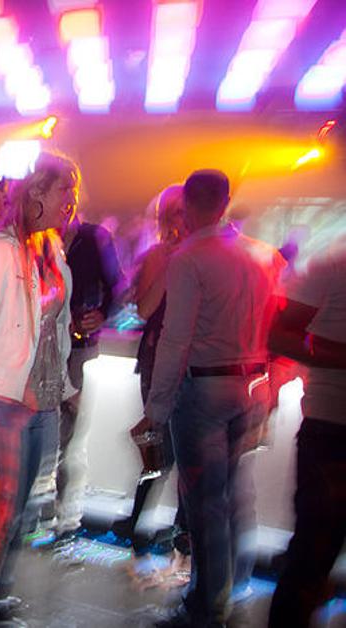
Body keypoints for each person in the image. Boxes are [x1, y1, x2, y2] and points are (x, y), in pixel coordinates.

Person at [142, 170, 285, 628]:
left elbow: (175, 339)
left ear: (187, 204)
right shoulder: (263, 255)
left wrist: (156, 408)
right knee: (237, 494)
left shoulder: (189, 258)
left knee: (206, 504)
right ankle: (235, 585)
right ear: (225, 203)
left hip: (203, 388)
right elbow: (280, 326)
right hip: (252, 384)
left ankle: (207, 607)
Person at [0, 151, 77, 622]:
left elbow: (53, 328)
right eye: (65, 189)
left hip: (43, 401)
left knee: (21, 514)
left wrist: (63, 384)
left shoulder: (49, 250)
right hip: (3, 404)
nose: (72, 201)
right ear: (36, 191)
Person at [267, 237, 346, 628]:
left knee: (313, 561)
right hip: (332, 431)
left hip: (330, 434)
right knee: (311, 560)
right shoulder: (333, 263)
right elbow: (279, 334)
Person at [115, 185, 191, 582]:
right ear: (166, 217)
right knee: (159, 454)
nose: (183, 220)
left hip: (191, 362)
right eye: (176, 212)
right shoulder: (159, 255)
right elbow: (142, 309)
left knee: (187, 457)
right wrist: (172, 264)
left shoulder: (203, 254)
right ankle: (137, 529)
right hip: (157, 358)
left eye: (186, 212)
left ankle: (181, 544)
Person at [53, 193, 124, 541]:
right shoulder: (40, 239)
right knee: (46, 433)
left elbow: (118, 286)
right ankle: (44, 516)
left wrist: (103, 314)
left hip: (80, 348)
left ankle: (66, 518)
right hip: (45, 349)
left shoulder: (95, 238)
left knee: (72, 438)